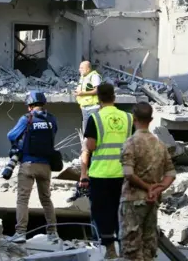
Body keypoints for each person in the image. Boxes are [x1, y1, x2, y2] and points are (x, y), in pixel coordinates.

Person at [81, 83, 133, 259]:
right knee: (123, 212)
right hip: (124, 174)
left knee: (103, 213)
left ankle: (110, 250)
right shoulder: (128, 117)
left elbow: (91, 146)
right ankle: (125, 248)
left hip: (101, 174)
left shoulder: (95, 118)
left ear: (98, 99)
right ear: (114, 97)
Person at [119, 102, 176, 261]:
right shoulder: (160, 145)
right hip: (152, 201)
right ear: (151, 119)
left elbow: (128, 173)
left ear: (134, 118)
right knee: (149, 244)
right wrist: (158, 188)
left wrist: (147, 187)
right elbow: (171, 172)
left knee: (131, 246)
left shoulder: (130, 143)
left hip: (133, 200)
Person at [7, 91, 59, 243]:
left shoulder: (27, 118)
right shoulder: (51, 119)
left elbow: (11, 135)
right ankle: (53, 232)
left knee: (23, 199)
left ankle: (20, 233)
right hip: (45, 165)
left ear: (30, 106)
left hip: (28, 164)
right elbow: (53, 133)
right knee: (46, 199)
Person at [75, 61, 102, 133]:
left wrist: (82, 93)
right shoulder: (83, 77)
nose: (79, 69)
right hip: (84, 107)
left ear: (88, 69)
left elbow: (97, 90)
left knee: (93, 131)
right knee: (86, 132)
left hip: (93, 107)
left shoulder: (94, 76)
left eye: (81, 68)